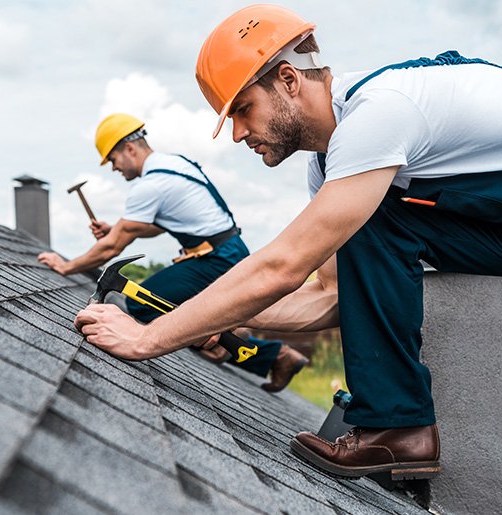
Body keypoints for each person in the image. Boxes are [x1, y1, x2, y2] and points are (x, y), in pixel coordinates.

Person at [75, 4, 502, 479]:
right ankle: (398, 430)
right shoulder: (331, 168)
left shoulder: (378, 114)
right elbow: (333, 295)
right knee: (376, 220)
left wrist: (148, 337)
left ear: (287, 79)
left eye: (243, 110)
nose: (238, 134)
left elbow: (283, 267)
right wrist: (202, 321)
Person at [39, 112, 308, 391]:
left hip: (215, 259)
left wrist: (66, 266)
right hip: (225, 252)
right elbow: (154, 226)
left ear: (129, 149)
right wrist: (116, 229)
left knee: (140, 304)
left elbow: (113, 246)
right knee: (188, 314)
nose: (114, 168)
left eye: (113, 160)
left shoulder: (151, 184)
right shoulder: (174, 165)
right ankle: (265, 352)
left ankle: (265, 352)